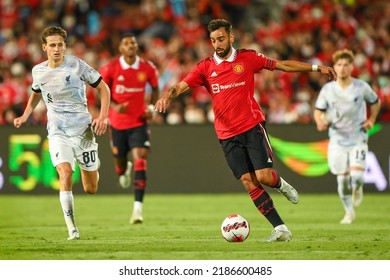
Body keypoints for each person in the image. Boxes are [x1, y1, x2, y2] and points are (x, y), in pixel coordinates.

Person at [155, 19, 337, 242]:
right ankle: (280, 228)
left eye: (221, 39)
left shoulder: (248, 58)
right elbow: (180, 86)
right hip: (226, 135)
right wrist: (166, 96)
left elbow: (282, 65)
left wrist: (317, 67)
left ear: (231, 37)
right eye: (213, 40)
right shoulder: (205, 67)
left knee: (264, 177)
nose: (217, 44)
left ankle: (280, 184)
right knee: (248, 181)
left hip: (251, 127)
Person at [13, 26, 111, 240]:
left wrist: (102, 117)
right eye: (52, 45)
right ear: (44, 47)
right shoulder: (38, 71)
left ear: (65, 46)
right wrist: (25, 114)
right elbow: (36, 92)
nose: (56, 49)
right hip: (57, 131)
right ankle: (72, 229)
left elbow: (104, 88)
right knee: (65, 174)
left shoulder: (77, 65)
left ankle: (93, 165)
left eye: (60, 45)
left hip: (83, 131)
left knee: (90, 188)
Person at [314, 49, 380, 224]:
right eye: (339, 64)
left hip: (358, 137)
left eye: (346, 64)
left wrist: (372, 119)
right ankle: (349, 212)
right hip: (337, 140)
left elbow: (375, 102)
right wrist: (320, 121)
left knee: (357, 177)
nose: (342, 68)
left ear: (352, 67)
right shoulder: (328, 89)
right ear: (335, 67)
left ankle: (358, 188)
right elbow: (318, 111)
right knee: (342, 181)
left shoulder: (361, 87)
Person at [99, 33, 160, 224]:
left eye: (133, 42)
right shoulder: (111, 68)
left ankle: (137, 210)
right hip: (117, 123)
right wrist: (115, 106)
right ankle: (123, 171)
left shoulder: (147, 67)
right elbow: (101, 90)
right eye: (126, 43)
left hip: (139, 122)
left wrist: (151, 108)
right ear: (121, 49)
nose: (130, 45)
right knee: (120, 166)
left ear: (136, 47)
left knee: (140, 159)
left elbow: (156, 88)